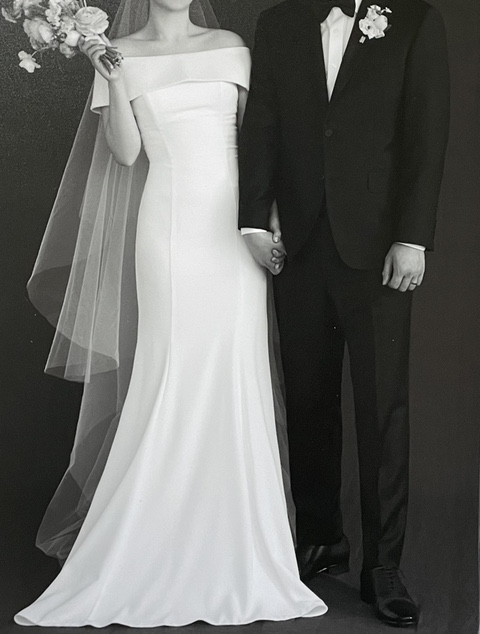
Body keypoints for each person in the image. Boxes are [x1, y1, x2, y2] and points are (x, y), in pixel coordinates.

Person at [14, 0, 328, 627]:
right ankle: (149, 542)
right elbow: (127, 154)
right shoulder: (119, 55)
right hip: (168, 230)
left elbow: (260, 143)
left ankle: (236, 545)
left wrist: (264, 223)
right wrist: (113, 76)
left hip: (234, 234)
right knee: (169, 372)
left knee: (233, 374)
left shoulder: (232, 46)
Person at [239, 0, 450, 628]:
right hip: (300, 245)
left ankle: (383, 567)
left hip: (378, 249)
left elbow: (426, 133)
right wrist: (254, 219)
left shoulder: (414, 20)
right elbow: (263, 123)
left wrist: (412, 237)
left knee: (381, 408)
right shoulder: (278, 24)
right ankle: (321, 538)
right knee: (308, 398)